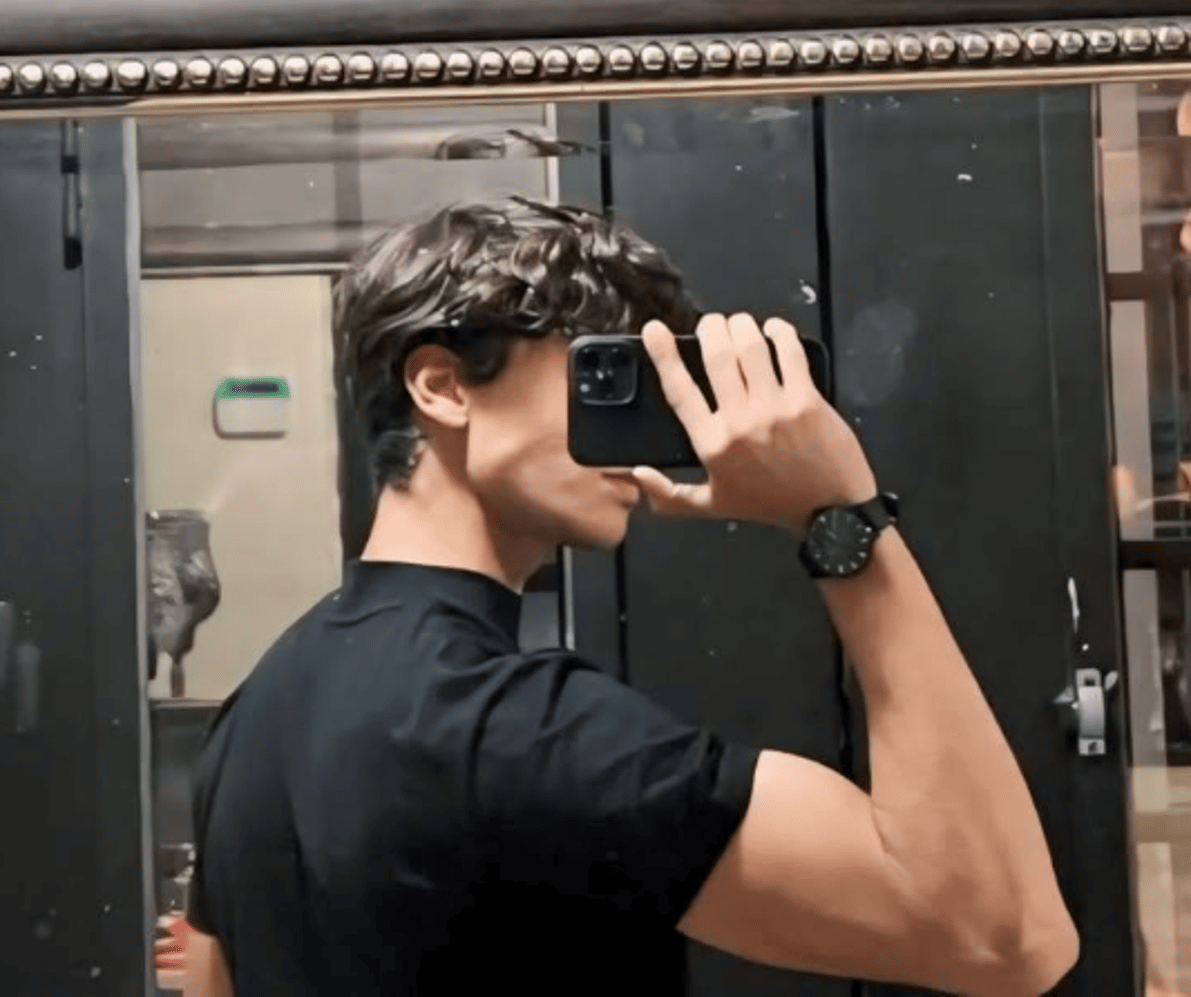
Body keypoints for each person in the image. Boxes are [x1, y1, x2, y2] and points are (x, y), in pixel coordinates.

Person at [184, 197, 1079, 997]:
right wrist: (840, 517)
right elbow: (1007, 937)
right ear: (444, 385)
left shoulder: (257, 707)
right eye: (603, 378)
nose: (645, 431)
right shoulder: (520, 728)